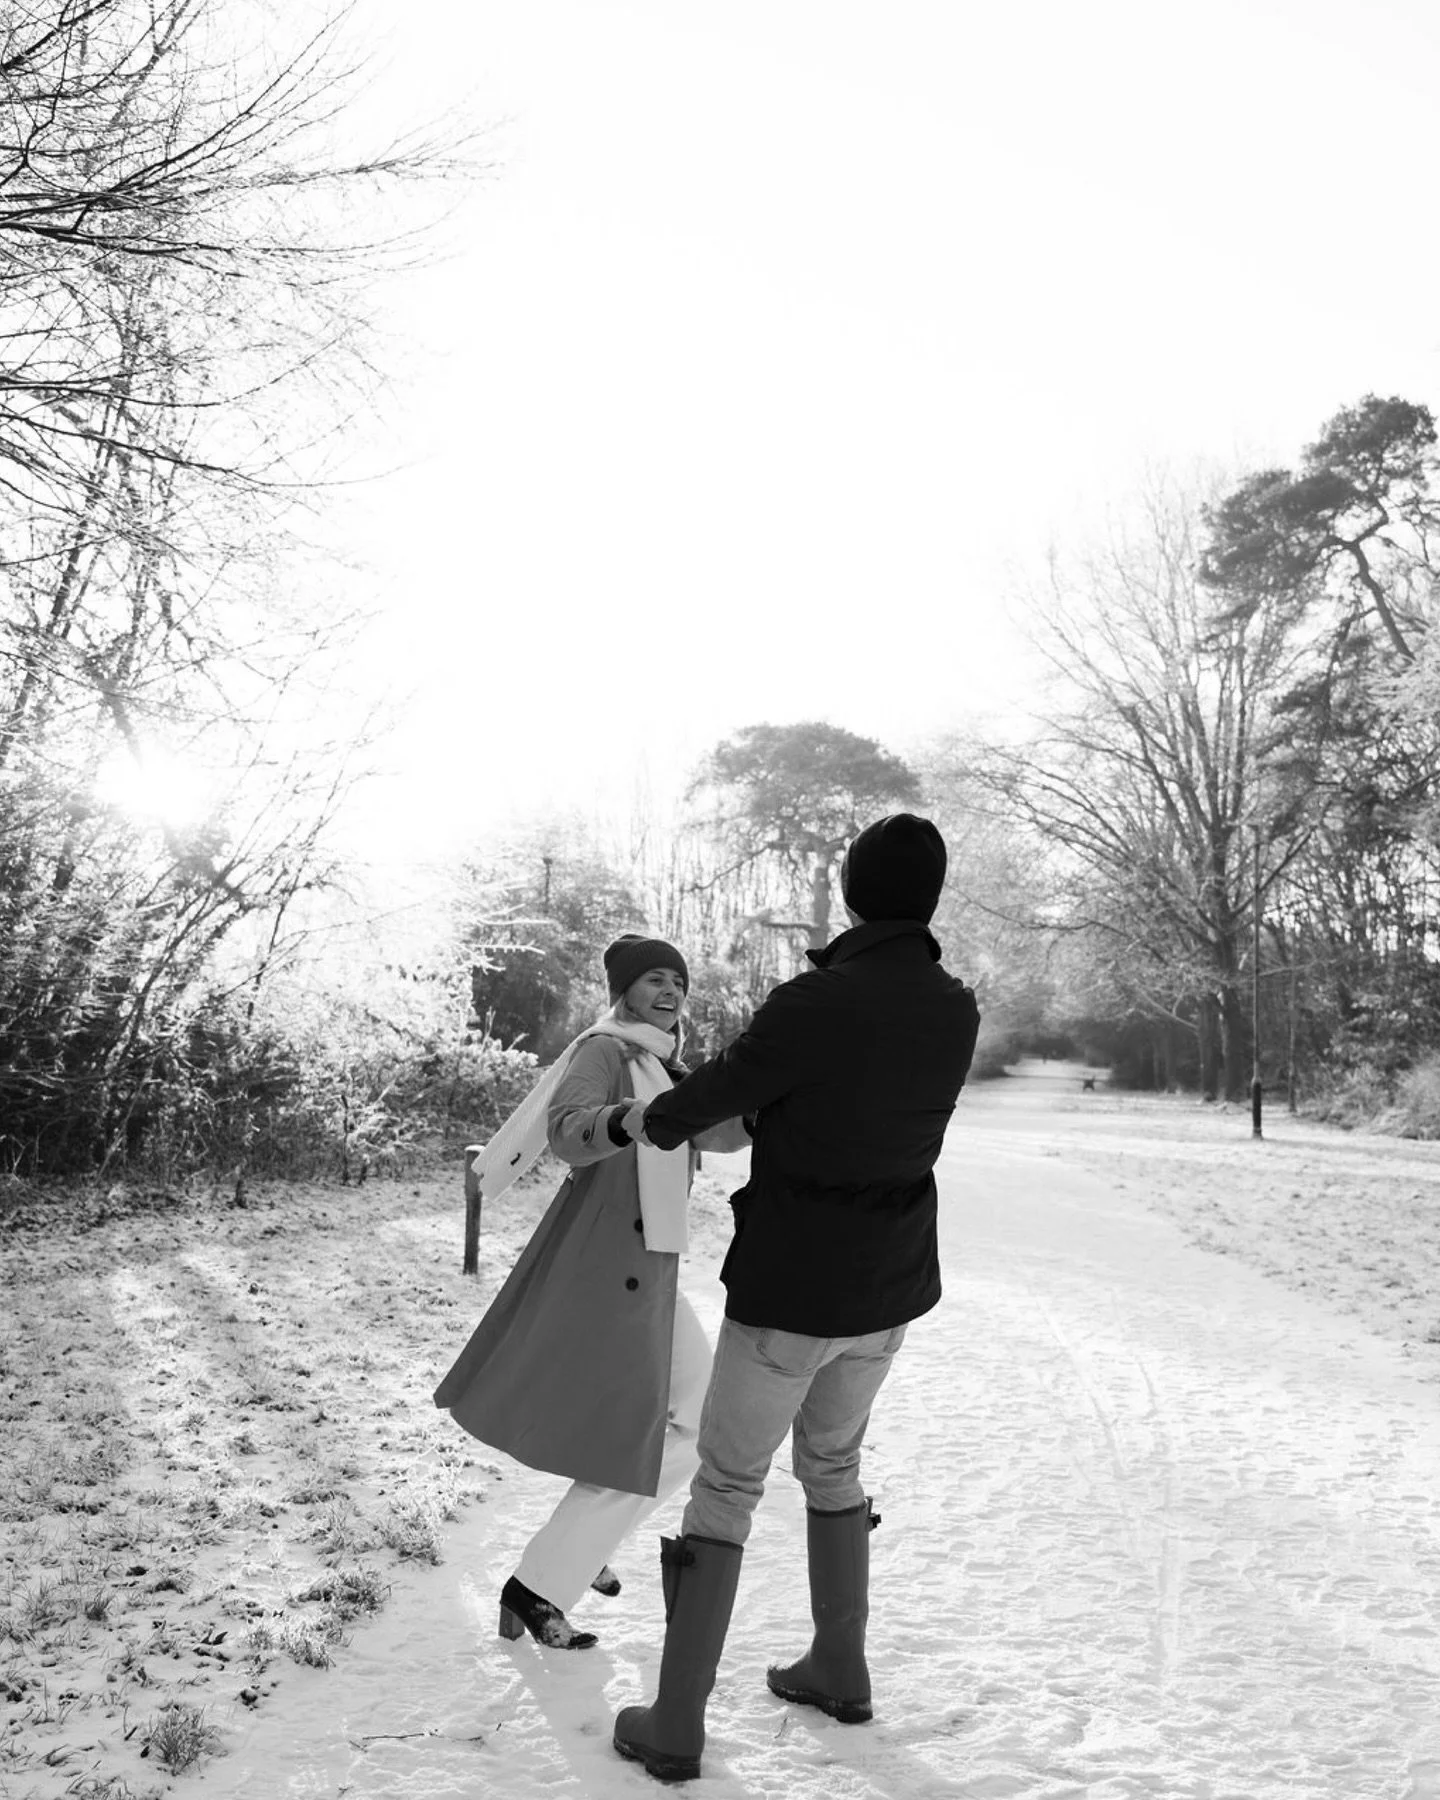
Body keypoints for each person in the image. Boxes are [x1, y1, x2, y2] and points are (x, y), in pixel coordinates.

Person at [611, 814, 981, 1781]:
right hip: (887, 1289)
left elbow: (717, 1095)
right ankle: (838, 1665)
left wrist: (636, 1116)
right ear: (929, 899)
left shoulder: (816, 999)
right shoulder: (956, 1007)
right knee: (834, 1464)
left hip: (791, 1290)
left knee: (728, 1483)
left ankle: (677, 1722)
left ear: (856, 893)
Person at [433, 934, 747, 1651]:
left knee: (700, 1419)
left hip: (651, 1267)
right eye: (653, 980)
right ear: (625, 990)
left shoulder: (663, 1063)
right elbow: (571, 1134)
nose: (669, 991)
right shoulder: (605, 1053)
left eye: (678, 980)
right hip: (609, 1267)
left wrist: (765, 1113)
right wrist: (629, 1120)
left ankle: (580, 1545)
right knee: (693, 1422)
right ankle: (542, 1583)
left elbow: (708, 1129)